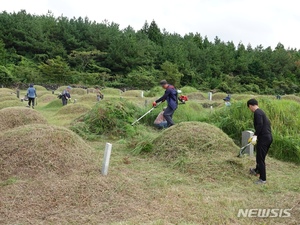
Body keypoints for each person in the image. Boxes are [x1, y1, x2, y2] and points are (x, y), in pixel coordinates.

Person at [247, 99, 273, 184]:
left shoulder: (257, 113)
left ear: (250, 106)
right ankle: (257, 170)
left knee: (260, 159)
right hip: (268, 137)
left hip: (264, 139)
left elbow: (260, 125)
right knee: (260, 157)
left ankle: (263, 179)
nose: (250, 109)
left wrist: (255, 135)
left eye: (249, 107)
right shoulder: (261, 112)